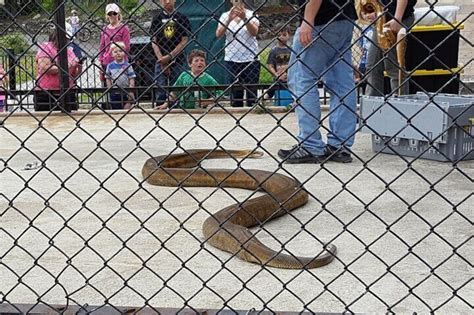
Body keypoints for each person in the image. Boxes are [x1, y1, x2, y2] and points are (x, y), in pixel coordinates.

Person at [277, 0, 358, 164]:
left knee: (302, 79)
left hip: (320, 19)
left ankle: (310, 145)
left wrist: (308, 20)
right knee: (342, 82)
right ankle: (340, 145)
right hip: (344, 17)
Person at [365, 0, 417, 96]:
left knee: (393, 66)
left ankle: (399, 103)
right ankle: (373, 104)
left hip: (396, 18)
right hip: (384, 18)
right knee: (373, 65)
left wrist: (397, 18)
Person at [216, 0, 260, 107]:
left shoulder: (252, 14)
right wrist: (229, 19)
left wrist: (245, 18)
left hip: (250, 58)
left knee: (252, 95)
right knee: (236, 95)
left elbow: (254, 32)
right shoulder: (225, 15)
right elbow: (218, 34)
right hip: (232, 58)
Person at [149, 0, 191, 106]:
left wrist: (170, 56)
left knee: (176, 88)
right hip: (160, 59)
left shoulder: (182, 18)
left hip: (178, 59)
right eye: (164, 0)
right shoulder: (156, 19)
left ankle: (176, 109)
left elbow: (184, 40)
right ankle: (159, 107)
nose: (167, 1)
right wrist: (161, 60)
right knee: (160, 88)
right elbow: (154, 41)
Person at [35, 28, 82, 111]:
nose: (67, 41)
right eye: (65, 38)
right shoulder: (46, 47)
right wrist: (67, 66)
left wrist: (79, 66)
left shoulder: (69, 50)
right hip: (47, 92)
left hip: (68, 91)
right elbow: (44, 68)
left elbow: (74, 74)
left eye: (68, 39)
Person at [99, 3, 131, 87]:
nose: (112, 15)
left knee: (122, 85)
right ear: (107, 16)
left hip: (120, 61)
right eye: (110, 13)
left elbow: (127, 46)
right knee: (109, 86)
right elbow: (102, 47)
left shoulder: (124, 28)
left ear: (118, 14)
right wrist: (100, 61)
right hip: (107, 61)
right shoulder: (104, 29)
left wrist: (118, 53)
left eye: (114, 13)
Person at [263, 24, 291, 103]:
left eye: (284, 35)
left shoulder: (291, 50)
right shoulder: (274, 51)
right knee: (273, 87)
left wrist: (287, 73)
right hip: (278, 77)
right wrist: (276, 74)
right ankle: (263, 100)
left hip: (290, 76)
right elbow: (270, 65)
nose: (281, 37)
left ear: (289, 35)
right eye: (279, 35)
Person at [105, 42, 136, 110]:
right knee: (116, 109)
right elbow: (108, 78)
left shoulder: (128, 65)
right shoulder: (110, 66)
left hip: (126, 91)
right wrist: (110, 88)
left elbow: (131, 78)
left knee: (126, 108)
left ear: (124, 52)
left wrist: (131, 91)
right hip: (115, 91)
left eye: (120, 51)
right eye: (115, 51)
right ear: (111, 54)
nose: (118, 53)